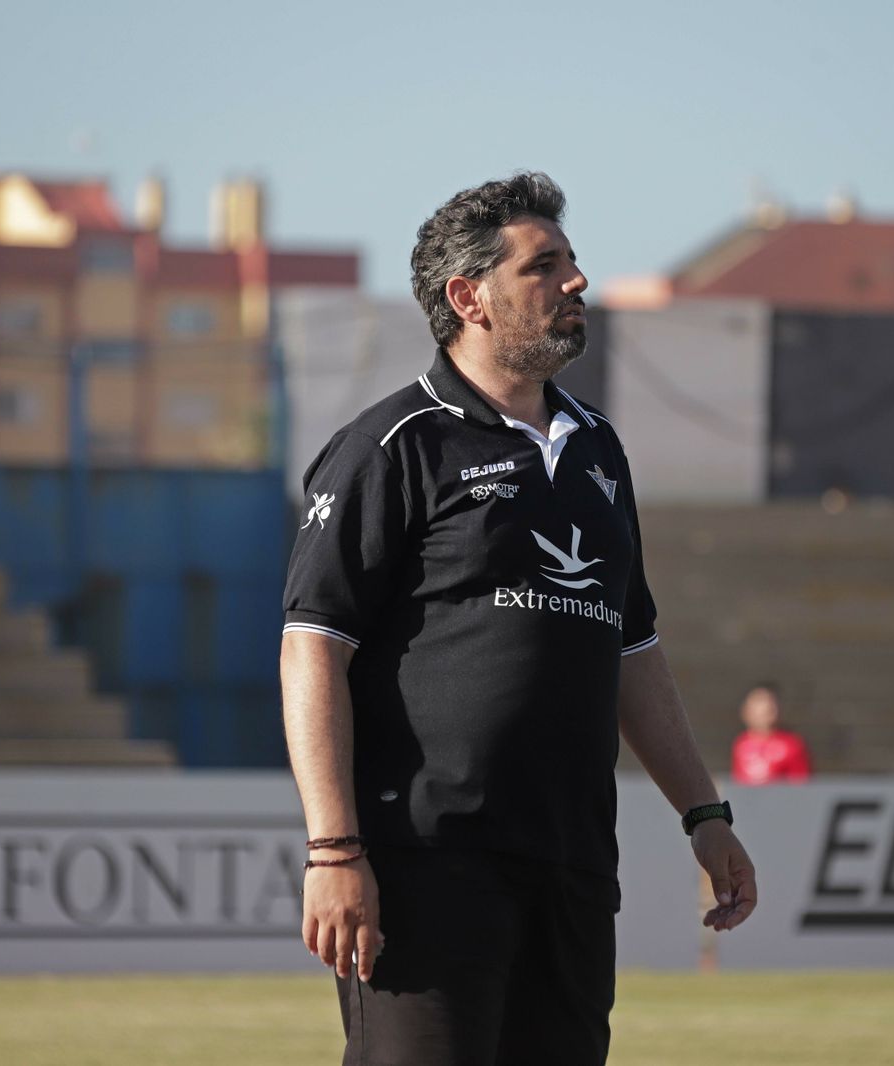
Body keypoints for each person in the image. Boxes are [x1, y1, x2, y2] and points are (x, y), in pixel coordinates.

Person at [279, 171, 757, 1066]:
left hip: (574, 867)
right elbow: (312, 649)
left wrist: (705, 813)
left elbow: (635, 649)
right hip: (428, 866)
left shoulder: (600, 449)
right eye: (545, 267)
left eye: (572, 262)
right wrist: (334, 850)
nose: (577, 282)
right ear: (470, 298)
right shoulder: (392, 447)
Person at [731, 682, 811, 785]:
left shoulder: (792, 744)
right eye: (758, 702)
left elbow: (802, 784)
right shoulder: (741, 743)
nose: (766, 707)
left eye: (770, 702)